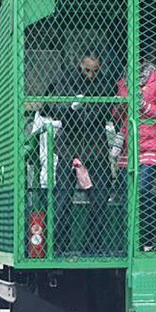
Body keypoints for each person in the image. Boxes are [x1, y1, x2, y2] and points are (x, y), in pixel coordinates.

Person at [42, 53, 113, 254]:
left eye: (95, 71)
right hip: (69, 144)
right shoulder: (65, 78)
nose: (91, 75)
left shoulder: (104, 82)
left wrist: (86, 110)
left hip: (94, 144)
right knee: (63, 197)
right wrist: (71, 107)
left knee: (100, 196)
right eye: (87, 70)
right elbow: (50, 108)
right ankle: (58, 245)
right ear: (80, 65)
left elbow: (105, 110)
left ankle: (93, 245)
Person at [110, 59, 156, 252]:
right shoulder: (123, 84)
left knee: (142, 190)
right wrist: (118, 108)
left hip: (151, 144)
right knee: (125, 193)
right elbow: (117, 117)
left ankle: (147, 238)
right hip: (129, 146)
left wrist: (144, 105)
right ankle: (128, 241)